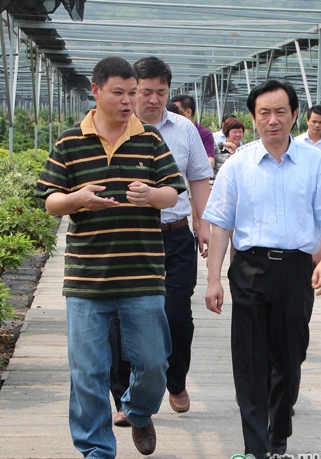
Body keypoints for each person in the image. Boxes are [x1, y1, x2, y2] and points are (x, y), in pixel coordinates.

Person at [35, 56, 186, 459]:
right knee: (87, 371)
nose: (128, 100)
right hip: (87, 277)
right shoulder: (69, 142)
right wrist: (77, 199)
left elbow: (172, 193)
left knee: (154, 362)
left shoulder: (149, 139)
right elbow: (50, 201)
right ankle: (97, 453)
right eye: (119, 92)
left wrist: (150, 194)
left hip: (142, 274)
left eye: (132, 92)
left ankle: (137, 410)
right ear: (96, 90)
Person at [203, 79, 321, 459]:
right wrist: (213, 278)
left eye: (280, 111)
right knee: (249, 361)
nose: (272, 119)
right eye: (264, 112)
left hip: (296, 270)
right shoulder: (238, 165)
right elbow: (221, 226)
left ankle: (278, 426)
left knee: (289, 358)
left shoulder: (314, 163)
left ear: (294, 115)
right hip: (250, 269)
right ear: (253, 118)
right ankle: (255, 450)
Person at [110, 56, 212, 425]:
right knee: (121, 318)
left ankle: (176, 379)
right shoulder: (115, 127)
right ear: (132, 91)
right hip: (128, 238)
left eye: (161, 92)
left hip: (175, 235)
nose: (153, 99)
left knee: (177, 315)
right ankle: (124, 395)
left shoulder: (184, 129)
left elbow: (198, 178)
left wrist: (203, 224)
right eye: (146, 92)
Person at [170, 94, 215, 168]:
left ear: (188, 112)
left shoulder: (204, 134)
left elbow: (210, 161)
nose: (173, 116)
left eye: (177, 112)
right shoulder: (170, 131)